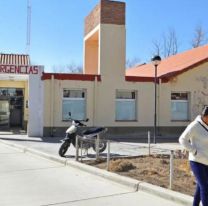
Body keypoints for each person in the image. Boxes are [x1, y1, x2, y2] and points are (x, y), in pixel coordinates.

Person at [179, 106, 208, 206]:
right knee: (205, 188)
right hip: (196, 161)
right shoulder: (194, 125)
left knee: (200, 188)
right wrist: (193, 151)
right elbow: (182, 139)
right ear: (205, 116)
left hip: (207, 162)